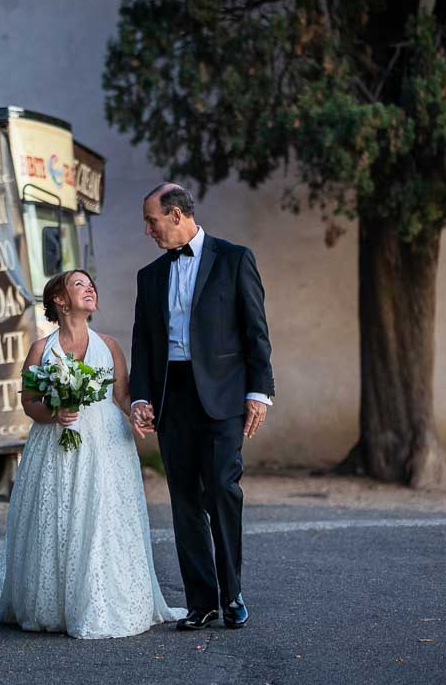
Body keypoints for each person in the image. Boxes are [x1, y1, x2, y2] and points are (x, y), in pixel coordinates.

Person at [0, 269, 185, 639]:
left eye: (91, 284)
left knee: (102, 518)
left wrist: (138, 411)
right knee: (58, 516)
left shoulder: (109, 346)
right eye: (79, 284)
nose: (90, 289)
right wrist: (54, 414)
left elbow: (122, 395)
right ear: (60, 300)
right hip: (54, 444)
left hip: (107, 443)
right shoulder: (41, 349)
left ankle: (103, 599)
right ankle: (55, 604)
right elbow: (30, 403)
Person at [130, 184, 274, 631]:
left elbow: (256, 331)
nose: (148, 231)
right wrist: (141, 396)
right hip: (173, 398)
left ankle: (232, 594)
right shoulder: (149, 276)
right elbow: (144, 342)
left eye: (152, 221)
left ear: (175, 215)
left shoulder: (234, 259)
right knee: (185, 502)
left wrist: (259, 391)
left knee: (222, 490)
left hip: (224, 397)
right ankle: (201, 602)